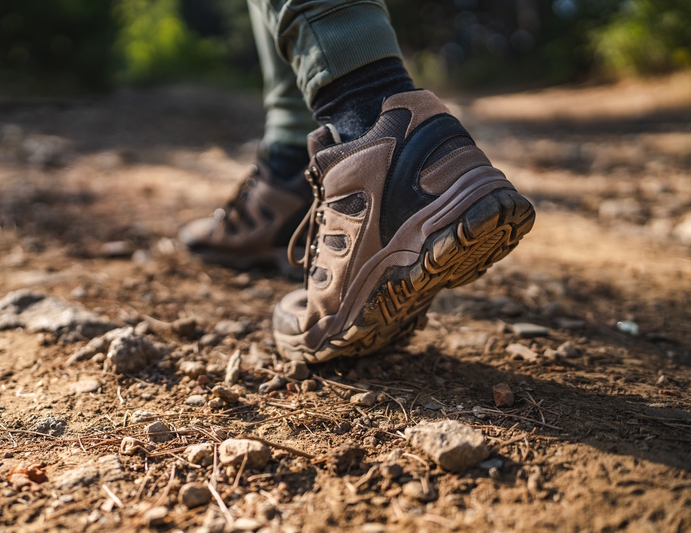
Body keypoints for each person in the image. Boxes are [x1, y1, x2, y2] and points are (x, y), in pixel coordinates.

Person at [179, 0, 535, 363]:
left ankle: (367, 120)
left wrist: (362, 99)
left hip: (385, 144)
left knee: (362, 100)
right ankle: (290, 171)